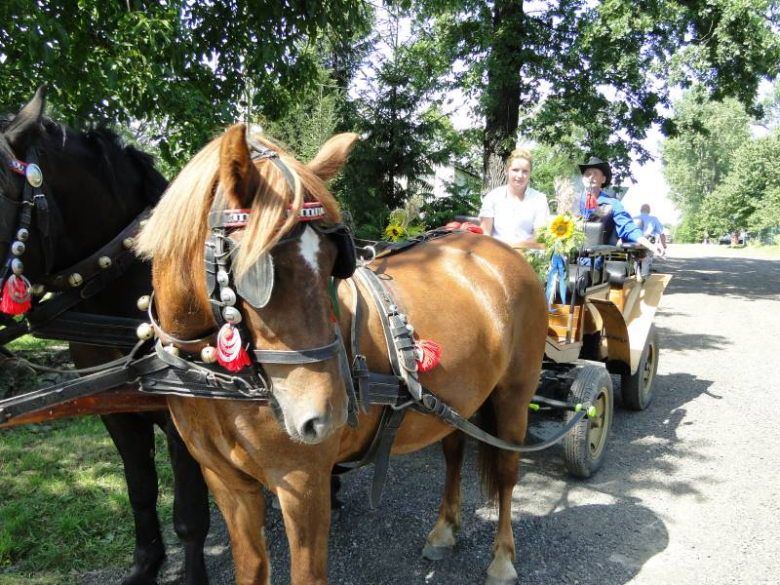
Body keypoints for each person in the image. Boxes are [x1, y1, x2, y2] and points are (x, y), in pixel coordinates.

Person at [577, 157, 665, 258]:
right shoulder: (571, 201)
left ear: (603, 179)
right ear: (583, 179)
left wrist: (651, 246)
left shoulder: (613, 204)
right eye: (587, 174)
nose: (590, 177)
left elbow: (628, 228)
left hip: (595, 259)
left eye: (595, 173)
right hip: (566, 257)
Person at [479, 148, 550, 249]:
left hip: (528, 256)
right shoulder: (492, 197)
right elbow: (484, 234)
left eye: (525, 171)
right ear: (506, 171)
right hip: (495, 254)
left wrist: (512, 248)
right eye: (515, 170)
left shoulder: (539, 199)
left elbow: (539, 238)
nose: (520, 175)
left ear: (530, 174)